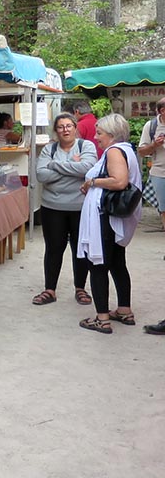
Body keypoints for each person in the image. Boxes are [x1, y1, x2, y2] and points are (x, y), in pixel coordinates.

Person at [77, 113, 142, 334]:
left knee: (98, 265)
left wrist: (92, 182)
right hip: (113, 218)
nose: (96, 137)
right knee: (117, 263)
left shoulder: (114, 151)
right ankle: (124, 309)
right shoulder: (126, 150)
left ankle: (102, 318)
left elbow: (119, 181)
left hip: (104, 217)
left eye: (100, 133)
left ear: (112, 135)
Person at [32, 113, 97, 306]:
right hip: (52, 207)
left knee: (80, 249)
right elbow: (41, 175)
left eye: (69, 126)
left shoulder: (86, 146)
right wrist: (72, 166)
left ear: (75, 128)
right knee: (53, 249)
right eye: (61, 127)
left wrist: (56, 167)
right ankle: (49, 289)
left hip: (80, 207)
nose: (65, 130)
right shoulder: (49, 149)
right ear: (56, 130)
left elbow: (88, 168)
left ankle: (80, 288)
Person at [136, 97, 165, 231]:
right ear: (162, 111)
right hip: (160, 173)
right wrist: (154, 144)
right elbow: (141, 152)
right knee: (163, 210)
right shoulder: (151, 126)